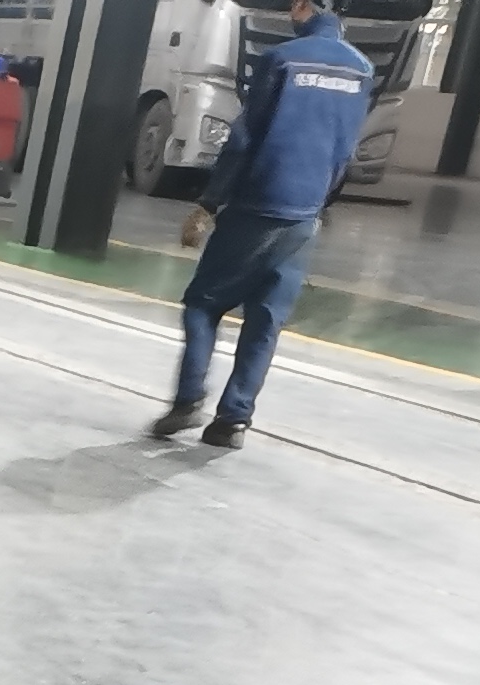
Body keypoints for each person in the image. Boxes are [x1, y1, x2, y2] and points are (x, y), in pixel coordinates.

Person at [152, 0, 373, 449]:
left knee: (203, 303)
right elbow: (347, 149)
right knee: (265, 319)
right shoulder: (361, 69)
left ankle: (189, 398)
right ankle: (232, 421)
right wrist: (317, 202)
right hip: (304, 212)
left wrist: (209, 203)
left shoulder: (281, 59)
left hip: (257, 204)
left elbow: (244, 138)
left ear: (303, 6)